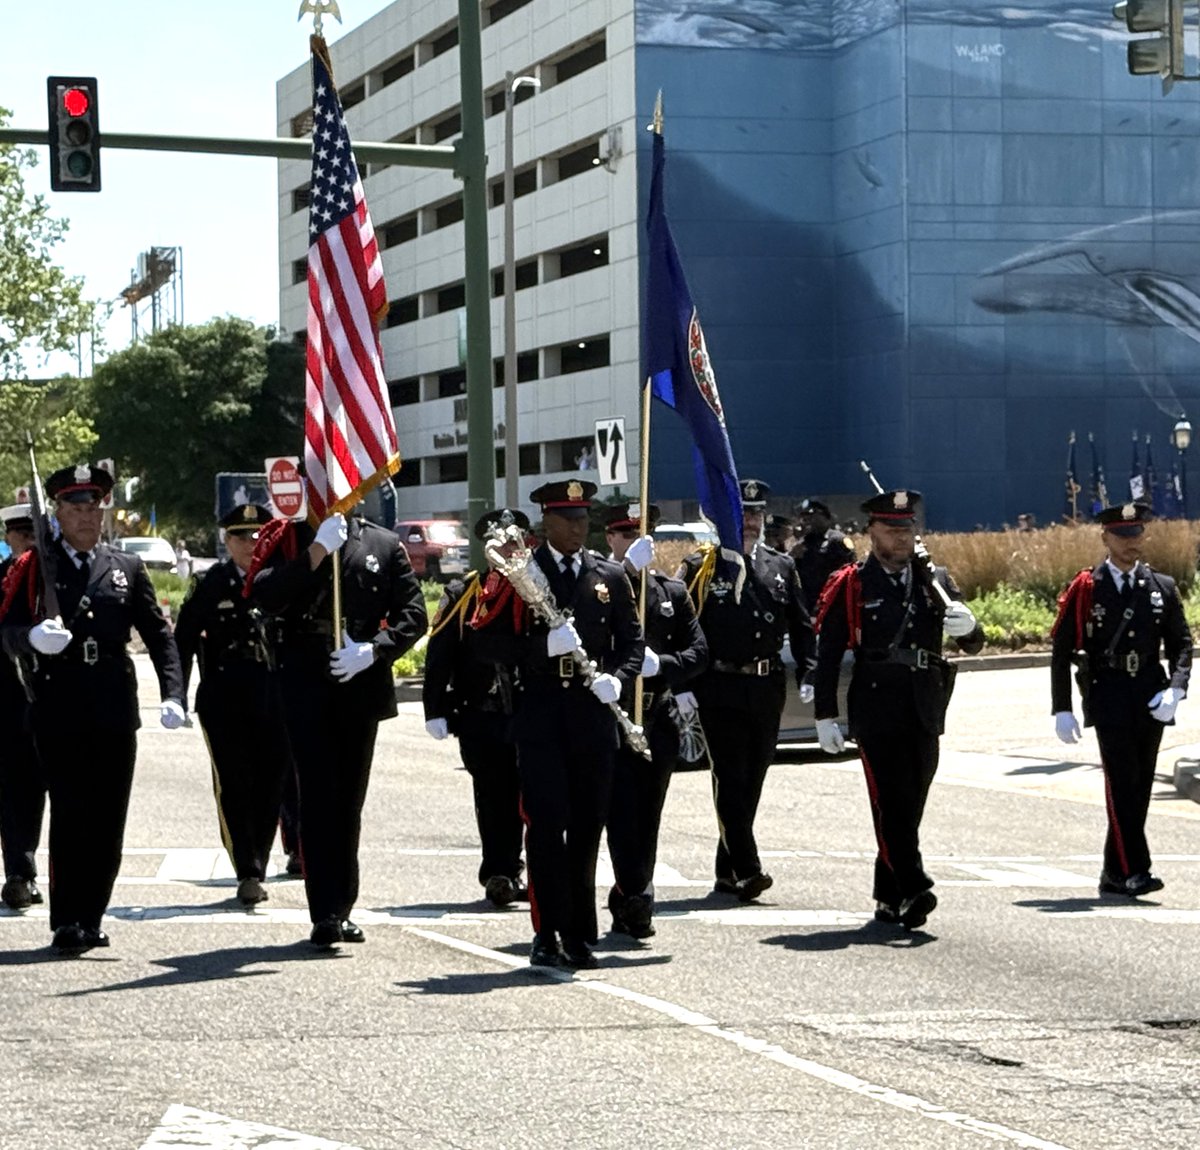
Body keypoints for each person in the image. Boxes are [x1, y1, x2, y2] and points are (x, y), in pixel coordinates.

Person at [0, 464, 185, 953]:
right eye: (75, 507)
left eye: (94, 506)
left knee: (108, 818)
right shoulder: (34, 567)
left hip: (113, 704)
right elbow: (5, 629)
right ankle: (66, 919)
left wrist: (172, 693)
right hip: (58, 704)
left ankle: (92, 913)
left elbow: (158, 634)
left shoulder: (125, 567)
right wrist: (31, 639)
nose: (86, 516)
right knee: (70, 812)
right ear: (57, 512)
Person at [476, 479, 643, 970]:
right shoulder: (519, 572)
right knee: (547, 827)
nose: (577, 527)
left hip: (592, 714)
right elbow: (486, 644)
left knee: (589, 825)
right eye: (567, 519)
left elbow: (631, 642)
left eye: (582, 518)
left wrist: (617, 677)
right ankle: (547, 930)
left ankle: (579, 932)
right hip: (543, 713)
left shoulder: (608, 575)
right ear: (545, 522)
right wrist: (538, 650)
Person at [247, 506, 427, 947]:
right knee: (318, 797)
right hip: (306, 676)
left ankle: (342, 906)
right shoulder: (290, 539)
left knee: (348, 801)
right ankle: (324, 911)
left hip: (359, 677)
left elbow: (414, 613)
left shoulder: (383, 544)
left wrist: (375, 649)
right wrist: (315, 552)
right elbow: (264, 594)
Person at [812, 488, 983, 931]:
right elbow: (828, 652)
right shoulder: (852, 582)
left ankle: (887, 895)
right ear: (871, 532)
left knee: (911, 805)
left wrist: (971, 626)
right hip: (876, 706)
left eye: (908, 530)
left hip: (925, 704)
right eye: (892, 530)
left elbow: (971, 642)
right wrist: (825, 714)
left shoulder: (935, 580)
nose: (902, 538)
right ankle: (913, 886)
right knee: (892, 804)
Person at [677, 478, 814, 903]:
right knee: (729, 776)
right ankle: (749, 867)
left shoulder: (781, 566)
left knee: (753, 777)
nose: (750, 522)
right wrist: (682, 685)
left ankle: (727, 869)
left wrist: (808, 672)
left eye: (755, 514)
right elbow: (680, 626)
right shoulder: (701, 566)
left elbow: (801, 624)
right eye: (742, 514)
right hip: (720, 684)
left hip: (766, 685)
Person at [1051, 501, 1191, 897]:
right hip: (1108, 690)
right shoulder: (1086, 587)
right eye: (1123, 536)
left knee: (1141, 784)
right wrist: (1061, 707)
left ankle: (1114, 872)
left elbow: (1181, 642)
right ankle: (1136, 871)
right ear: (1105, 537)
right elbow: (1061, 651)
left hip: (1150, 691)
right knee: (1121, 781)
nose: (1133, 543)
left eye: (1137, 534)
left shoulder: (1161, 586)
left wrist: (1176, 687)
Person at [174, 504, 292, 909]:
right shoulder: (212, 583)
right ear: (226, 541)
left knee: (271, 785)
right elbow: (183, 639)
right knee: (235, 784)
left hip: (275, 696)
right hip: (224, 698)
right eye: (241, 536)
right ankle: (248, 868)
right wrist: (176, 693)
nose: (251, 543)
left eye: (259, 535)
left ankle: (259, 857)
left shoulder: (281, 580)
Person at [602, 502, 707, 939]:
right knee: (620, 811)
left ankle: (632, 894)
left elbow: (699, 653)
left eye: (642, 536)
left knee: (648, 813)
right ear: (611, 539)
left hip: (657, 716)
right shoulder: (599, 586)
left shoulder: (670, 592)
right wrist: (626, 571)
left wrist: (660, 665)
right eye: (626, 535)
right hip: (613, 714)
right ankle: (635, 894)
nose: (635, 542)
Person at [423, 508, 529, 908]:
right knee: (494, 798)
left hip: (530, 709)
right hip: (481, 714)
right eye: (500, 541)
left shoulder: (539, 589)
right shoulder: (466, 593)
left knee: (538, 796)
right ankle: (500, 872)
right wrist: (434, 707)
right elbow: (441, 652)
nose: (508, 547)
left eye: (515, 540)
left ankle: (540, 872)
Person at [0, 504, 45, 911]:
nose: (29, 544)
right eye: (22, 536)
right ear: (9, 538)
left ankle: (22, 870)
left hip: (46, 702)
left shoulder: (56, 581)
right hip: (6, 701)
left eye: (36, 536)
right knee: (15, 790)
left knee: (29, 790)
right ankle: (19, 870)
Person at [794, 498, 857, 613]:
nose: (807, 520)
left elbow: (850, 572)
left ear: (825, 517)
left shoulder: (838, 540)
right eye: (804, 517)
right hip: (809, 606)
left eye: (811, 516)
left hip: (834, 606)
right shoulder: (802, 543)